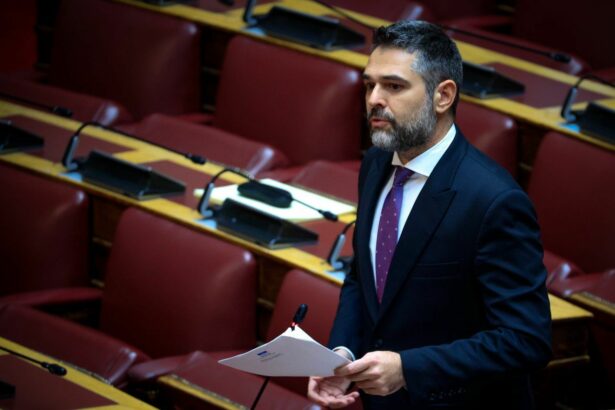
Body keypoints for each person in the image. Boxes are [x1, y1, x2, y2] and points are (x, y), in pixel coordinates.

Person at [307, 20, 552, 409]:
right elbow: (363, 276)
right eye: (369, 85)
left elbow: (525, 340)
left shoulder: (494, 200)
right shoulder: (376, 163)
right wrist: (342, 354)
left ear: (443, 96)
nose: (374, 99)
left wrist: (409, 368)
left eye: (394, 86)